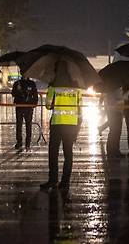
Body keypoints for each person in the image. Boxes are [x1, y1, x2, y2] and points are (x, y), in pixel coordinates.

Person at [40, 62, 83, 190]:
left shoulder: (54, 87)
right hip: (71, 124)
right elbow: (79, 109)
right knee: (68, 154)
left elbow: (48, 106)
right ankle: (65, 182)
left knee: (53, 153)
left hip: (57, 123)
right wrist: (78, 126)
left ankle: (53, 180)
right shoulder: (77, 89)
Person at [11, 75, 38, 150]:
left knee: (28, 125)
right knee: (19, 125)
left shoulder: (32, 83)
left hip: (28, 107)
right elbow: (13, 93)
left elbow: (35, 94)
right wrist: (17, 90)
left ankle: (28, 143)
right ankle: (19, 142)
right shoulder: (17, 83)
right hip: (19, 106)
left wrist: (34, 104)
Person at [105, 85, 125, 158]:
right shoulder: (112, 89)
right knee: (114, 132)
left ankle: (114, 150)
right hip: (114, 112)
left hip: (118, 112)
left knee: (116, 132)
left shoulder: (118, 88)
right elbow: (112, 101)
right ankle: (112, 151)